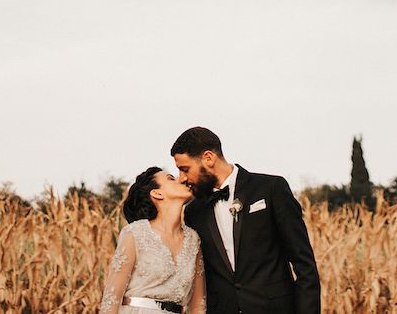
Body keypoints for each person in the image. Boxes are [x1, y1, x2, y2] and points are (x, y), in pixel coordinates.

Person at [172, 127, 321, 314]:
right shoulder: (194, 211)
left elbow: (304, 264)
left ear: (208, 158)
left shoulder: (271, 189)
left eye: (185, 169)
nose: (182, 179)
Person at [100, 167, 207, 313]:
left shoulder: (193, 240)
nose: (181, 180)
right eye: (171, 178)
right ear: (157, 194)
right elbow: (111, 299)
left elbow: (198, 305)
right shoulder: (135, 233)